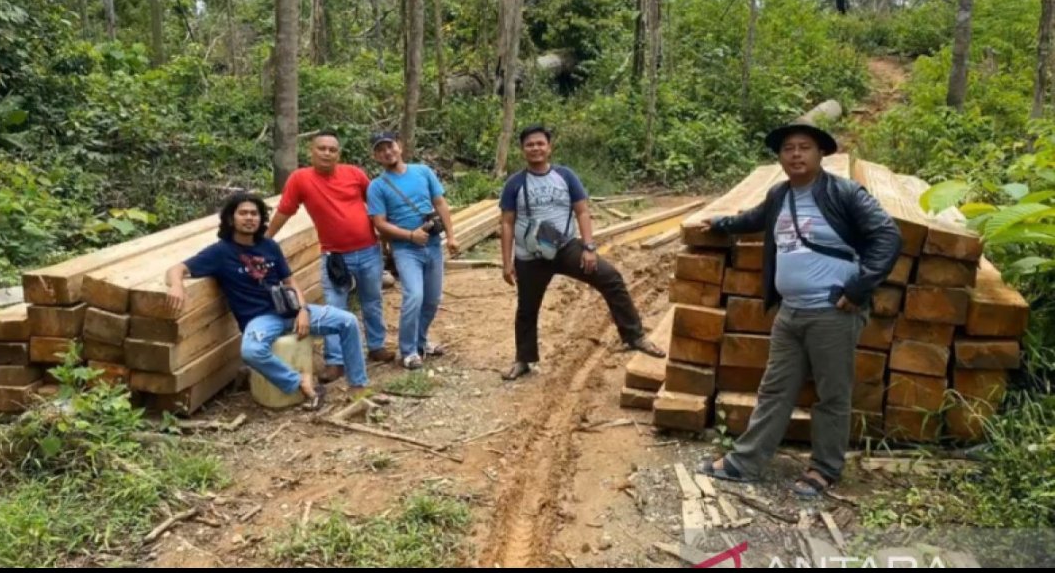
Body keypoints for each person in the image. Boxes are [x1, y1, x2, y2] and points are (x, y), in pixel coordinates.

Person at [691, 123, 902, 497]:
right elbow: (754, 219)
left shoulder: (844, 192)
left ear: (821, 155)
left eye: (805, 147)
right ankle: (747, 461)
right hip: (789, 313)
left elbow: (887, 235)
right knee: (774, 389)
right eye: (788, 149)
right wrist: (722, 223)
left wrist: (859, 287)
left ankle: (824, 469)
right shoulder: (779, 195)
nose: (796, 155)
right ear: (780, 158)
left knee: (831, 394)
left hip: (832, 313)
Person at [165, 193, 370, 409]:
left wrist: (302, 310)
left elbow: (289, 281)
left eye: (254, 213)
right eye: (243, 213)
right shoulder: (220, 252)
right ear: (230, 219)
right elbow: (177, 269)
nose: (249, 218)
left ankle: (358, 386)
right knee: (252, 351)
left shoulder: (269, 246)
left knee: (348, 321)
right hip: (260, 319)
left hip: (290, 310)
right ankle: (298, 381)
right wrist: (177, 285)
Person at [498, 125, 666, 382]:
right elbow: (507, 222)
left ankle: (634, 336)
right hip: (530, 256)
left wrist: (588, 247)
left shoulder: (565, 176)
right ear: (522, 150)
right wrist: (506, 262)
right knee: (527, 308)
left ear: (549, 147)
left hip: (565, 247)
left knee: (610, 278)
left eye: (540, 143)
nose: (535, 148)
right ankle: (524, 359)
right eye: (530, 144)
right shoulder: (515, 183)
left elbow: (582, 211)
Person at [267, 131, 395, 385]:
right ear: (311, 151)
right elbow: (285, 211)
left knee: (372, 300)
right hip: (334, 257)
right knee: (334, 309)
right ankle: (335, 361)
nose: (327, 153)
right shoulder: (300, 179)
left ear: (339, 154)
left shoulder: (354, 174)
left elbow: (377, 204)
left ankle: (377, 346)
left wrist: (388, 239)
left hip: (368, 250)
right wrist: (265, 240)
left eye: (332, 150)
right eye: (322, 148)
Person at [366, 131, 459, 369]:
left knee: (432, 299)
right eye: (381, 149)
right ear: (376, 156)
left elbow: (439, 203)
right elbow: (379, 222)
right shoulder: (377, 186)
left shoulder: (423, 172)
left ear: (400, 146)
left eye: (390, 146)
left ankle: (421, 341)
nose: (388, 152)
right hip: (405, 250)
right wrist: (410, 235)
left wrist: (450, 236)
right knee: (414, 297)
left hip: (433, 245)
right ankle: (407, 351)